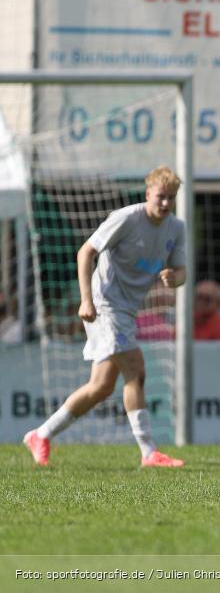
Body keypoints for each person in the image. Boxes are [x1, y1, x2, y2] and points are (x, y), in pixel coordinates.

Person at [23, 166, 187, 468]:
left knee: (101, 387)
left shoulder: (175, 228)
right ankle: (150, 452)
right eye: (160, 197)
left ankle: (41, 434)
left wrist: (173, 278)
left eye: (171, 198)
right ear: (148, 193)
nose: (165, 204)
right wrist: (86, 300)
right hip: (104, 305)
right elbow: (86, 252)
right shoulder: (126, 218)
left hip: (127, 310)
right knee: (136, 370)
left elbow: (182, 274)